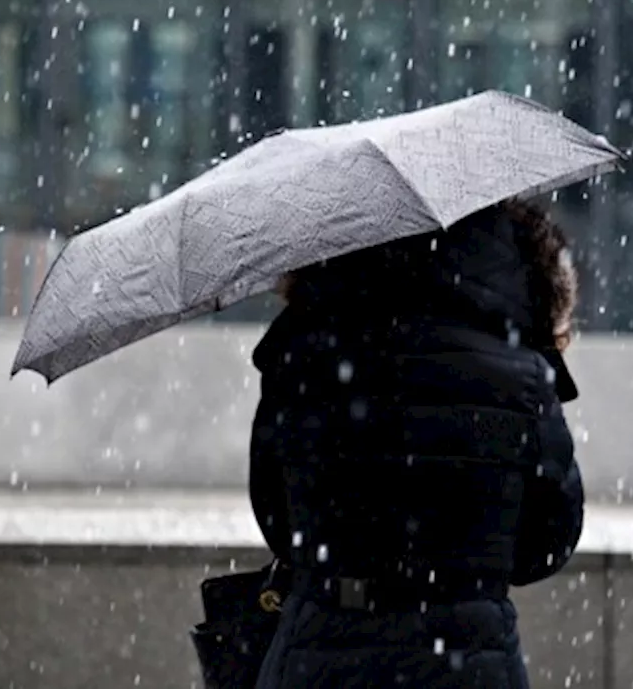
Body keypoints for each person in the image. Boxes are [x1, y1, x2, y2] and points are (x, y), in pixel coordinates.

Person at [248, 196, 585, 688]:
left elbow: (277, 519)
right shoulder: (522, 376)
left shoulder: (302, 357)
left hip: (321, 653)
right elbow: (545, 545)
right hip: (470, 659)